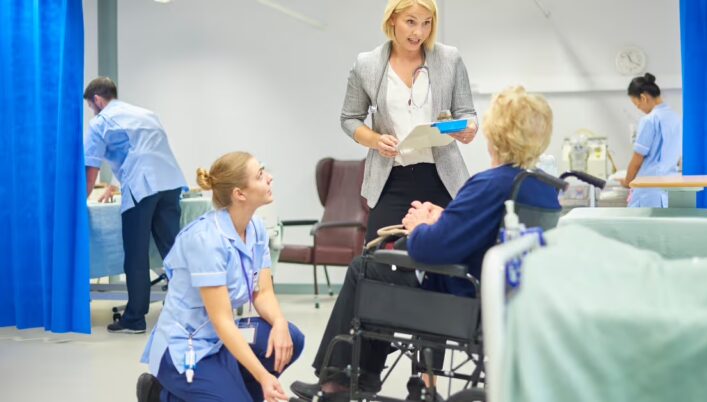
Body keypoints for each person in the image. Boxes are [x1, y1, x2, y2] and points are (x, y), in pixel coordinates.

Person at [292, 86, 561, 399]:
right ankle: (363, 378)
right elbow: (484, 229)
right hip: (503, 297)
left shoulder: (488, 183)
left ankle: (338, 381)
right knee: (377, 266)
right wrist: (443, 216)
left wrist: (420, 225)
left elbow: (428, 250)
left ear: (496, 133)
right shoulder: (541, 188)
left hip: (458, 295)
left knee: (364, 267)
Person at [137, 152, 304, 402]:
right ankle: (159, 394)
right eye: (260, 175)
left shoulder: (256, 227)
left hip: (220, 337)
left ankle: (242, 392)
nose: (269, 178)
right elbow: (222, 321)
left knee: (292, 337)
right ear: (240, 194)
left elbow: (263, 292)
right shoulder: (206, 240)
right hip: (186, 345)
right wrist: (263, 376)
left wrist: (279, 323)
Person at [341, 0, 478, 243]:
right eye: (411, 22)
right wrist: (375, 140)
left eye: (427, 23)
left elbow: (467, 113)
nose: (419, 33)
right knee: (379, 257)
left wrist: (469, 128)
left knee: (447, 255)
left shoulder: (450, 59)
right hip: (391, 177)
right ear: (392, 18)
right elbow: (350, 119)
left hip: (442, 175)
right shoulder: (367, 64)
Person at [83, 77, 188, 333]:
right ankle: (190, 311)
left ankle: (134, 318)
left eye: (90, 106)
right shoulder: (147, 114)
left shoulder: (101, 122)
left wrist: (81, 203)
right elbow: (146, 153)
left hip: (142, 187)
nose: (91, 111)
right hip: (171, 181)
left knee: (136, 254)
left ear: (97, 100)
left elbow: (91, 168)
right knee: (174, 252)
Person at [620, 73, 683, 207]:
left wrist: (627, 181)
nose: (640, 109)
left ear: (643, 98)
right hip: (671, 187)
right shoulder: (676, 118)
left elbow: (637, 159)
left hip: (649, 190)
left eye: (637, 105)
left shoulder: (649, 120)